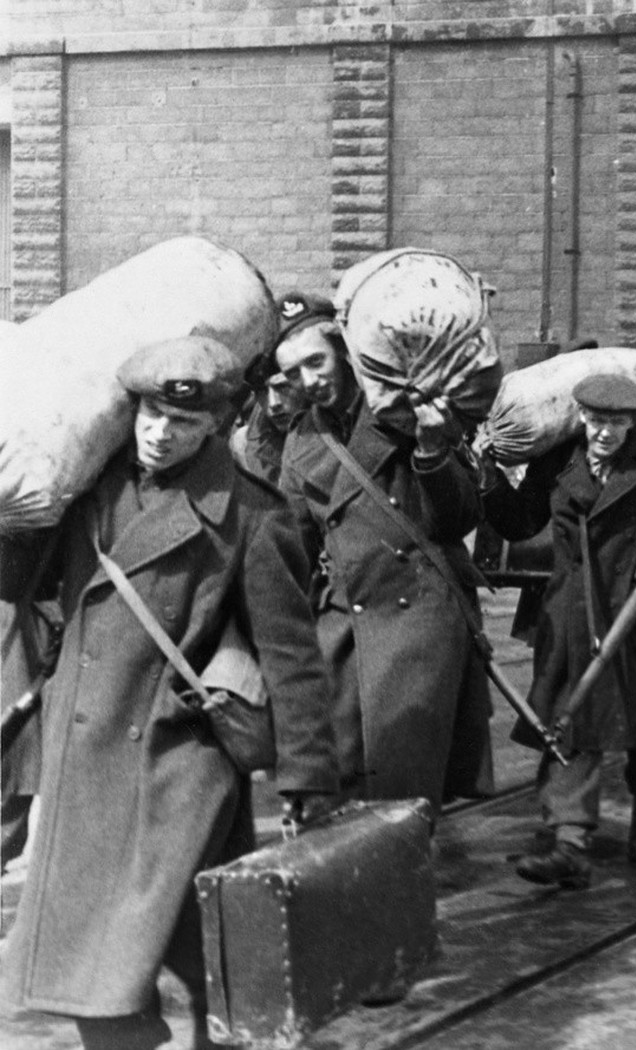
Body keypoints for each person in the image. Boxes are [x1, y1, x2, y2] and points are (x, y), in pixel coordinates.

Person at [0, 336, 339, 1050]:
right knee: (109, 967)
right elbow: (16, 583)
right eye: (150, 415)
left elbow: (291, 653)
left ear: (215, 424)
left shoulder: (250, 512)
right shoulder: (86, 490)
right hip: (84, 749)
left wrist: (309, 775)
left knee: (180, 960)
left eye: (181, 423)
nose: (159, 434)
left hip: (178, 762)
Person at [481, 374, 636, 890]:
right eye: (596, 421)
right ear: (580, 417)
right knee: (568, 719)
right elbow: (521, 522)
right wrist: (488, 474)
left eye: (617, 423)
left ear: (635, 423)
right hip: (571, 611)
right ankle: (570, 841)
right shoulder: (558, 460)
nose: (605, 433)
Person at [278, 299, 493, 813]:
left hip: (417, 614)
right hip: (343, 618)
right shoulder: (302, 439)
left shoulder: (403, 412)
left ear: (345, 355)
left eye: (316, 362)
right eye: (292, 372)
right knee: (340, 766)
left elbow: (459, 518)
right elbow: (294, 544)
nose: (307, 381)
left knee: (404, 773)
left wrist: (432, 451)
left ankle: (399, 876)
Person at [231, 292, 329, 483]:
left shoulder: (341, 425)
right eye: (262, 392)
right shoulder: (244, 446)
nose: (273, 404)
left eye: (283, 387)